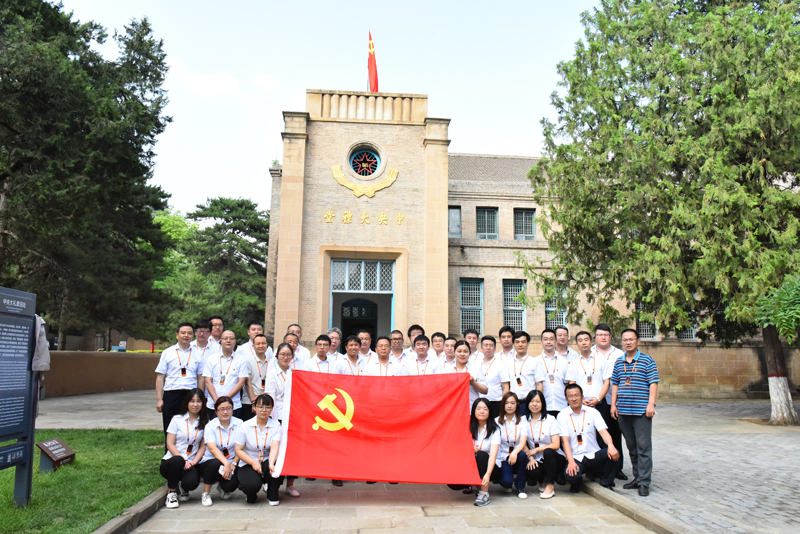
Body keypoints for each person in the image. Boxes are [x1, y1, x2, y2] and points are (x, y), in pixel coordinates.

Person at [611, 328, 659, 497]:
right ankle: (637, 477)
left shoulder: (647, 360)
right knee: (632, 447)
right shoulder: (618, 362)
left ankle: (644, 482)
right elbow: (615, 384)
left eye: (631, 339)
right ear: (622, 342)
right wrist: (613, 405)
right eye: (625, 340)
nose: (628, 342)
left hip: (641, 412)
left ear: (637, 341)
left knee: (643, 447)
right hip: (623, 411)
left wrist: (651, 404)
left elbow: (653, 383)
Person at [558, 383, 620, 492]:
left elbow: (604, 432)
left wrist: (611, 446)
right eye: (570, 396)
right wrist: (571, 461)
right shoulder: (562, 415)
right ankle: (577, 481)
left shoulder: (593, 412)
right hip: (576, 458)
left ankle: (607, 482)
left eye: (576, 395)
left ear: (582, 397)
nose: (574, 399)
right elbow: (565, 441)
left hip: (594, 455)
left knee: (614, 453)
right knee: (571, 476)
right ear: (566, 399)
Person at [160, 388, 208, 508]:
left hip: (190, 463)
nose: (195, 405)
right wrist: (183, 460)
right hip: (172, 461)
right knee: (178, 461)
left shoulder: (205, 421)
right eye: (192, 401)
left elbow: (203, 447)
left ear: (203, 403)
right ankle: (171, 493)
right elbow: (170, 444)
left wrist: (193, 462)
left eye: (198, 401)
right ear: (187, 402)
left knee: (192, 483)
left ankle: (183, 487)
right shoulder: (177, 419)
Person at [448, 398, 500, 507]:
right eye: (479, 408)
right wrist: (469, 448)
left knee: (481, 455)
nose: (482, 411)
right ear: (474, 411)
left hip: (490, 467)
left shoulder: (495, 429)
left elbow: (493, 455)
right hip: (470, 464)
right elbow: (457, 447)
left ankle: (484, 493)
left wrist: (488, 474)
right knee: (452, 482)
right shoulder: (467, 427)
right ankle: (474, 483)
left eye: (485, 409)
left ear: (490, 411)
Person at [234, 393, 285, 504]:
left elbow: (275, 447)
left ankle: (272, 493)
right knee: (251, 485)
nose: (264, 410)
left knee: (277, 465)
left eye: (267, 407)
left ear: (272, 409)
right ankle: (251, 494)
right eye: (261, 407)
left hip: (267, 459)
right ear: (254, 407)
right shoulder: (245, 426)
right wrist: (253, 462)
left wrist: (271, 463)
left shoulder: (276, 425)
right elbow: (238, 449)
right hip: (249, 461)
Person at [514, 390, 565, 499]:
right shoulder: (523, 420)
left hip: (554, 457)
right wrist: (531, 457)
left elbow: (556, 444)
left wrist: (537, 449)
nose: (535, 404)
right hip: (536, 458)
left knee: (548, 452)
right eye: (532, 401)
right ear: (528, 403)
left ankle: (550, 486)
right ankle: (542, 481)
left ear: (543, 403)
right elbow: (522, 442)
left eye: (538, 401)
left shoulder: (550, 419)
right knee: (531, 470)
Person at [263, 343, 299, 496]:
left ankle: (290, 485)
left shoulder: (295, 373)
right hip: (277, 417)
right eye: (282, 354)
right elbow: (270, 399)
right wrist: (274, 421)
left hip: (293, 417)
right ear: (277, 356)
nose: (286, 357)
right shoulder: (272, 374)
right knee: (276, 450)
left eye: (289, 354)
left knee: (292, 451)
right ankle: (272, 481)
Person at [156, 323, 203, 437]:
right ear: (177, 335)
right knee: (169, 427)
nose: (186, 335)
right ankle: (169, 448)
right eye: (183, 333)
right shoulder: (168, 352)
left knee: (190, 427)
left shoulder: (198, 353)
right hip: (171, 394)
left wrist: (200, 397)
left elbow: (200, 377)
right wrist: (159, 399)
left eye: (189, 333)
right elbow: (160, 377)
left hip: (190, 394)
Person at [594, 323, 627, 480]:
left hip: (614, 401)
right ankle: (599, 468)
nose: (603, 337)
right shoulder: (590, 353)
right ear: (595, 337)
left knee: (615, 434)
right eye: (600, 335)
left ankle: (617, 467)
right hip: (597, 402)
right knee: (598, 435)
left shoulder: (619, 354)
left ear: (610, 337)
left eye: (606, 335)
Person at [198, 396, 242, 506]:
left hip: (232, 461)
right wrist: (226, 463)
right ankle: (206, 493)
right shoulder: (210, 426)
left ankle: (223, 487)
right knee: (215, 463)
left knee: (231, 485)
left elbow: (242, 446)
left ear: (232, 409)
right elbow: (212, 448)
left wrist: (233, 463)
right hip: (212, 461)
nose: (225, 412)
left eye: (228, 408)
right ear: (216, 411)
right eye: (222, 409)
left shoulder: (240, 423)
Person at [204, 330, 248, 419]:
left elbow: (241, 382)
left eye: (231, 338)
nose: (228, 341)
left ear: (235, 341)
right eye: (225, 338)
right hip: (213, 404)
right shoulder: (211, 359)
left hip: (233, 404)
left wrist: (225, 400)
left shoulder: (241, 359)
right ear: (220, 341)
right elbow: (208, 381)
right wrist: (217, 400)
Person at [495, 392, 527, 498]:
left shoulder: (522, 421)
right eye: (507, 403)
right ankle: (507, 482)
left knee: (522, 455)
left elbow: (522, 442)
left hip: (517, 454)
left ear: (517, 404)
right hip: (503, 455)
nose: (509, 406)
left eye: (512, 403)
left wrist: (515, 452)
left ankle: (521, 487)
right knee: (506, 481)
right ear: (503, 405)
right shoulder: (496, 421)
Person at [470, 336, 510, 418]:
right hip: (479, 403)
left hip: (495, 403)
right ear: (481, 348)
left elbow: (506, 387)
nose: (488, 348)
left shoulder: (501, 364)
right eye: (486, 345)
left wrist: (504, 404)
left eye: (491, 345)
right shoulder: (475, 364)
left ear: (495, 348)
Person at [565, 331, 607, 408]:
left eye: (586, 340)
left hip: (600, 402)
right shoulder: (573, 363)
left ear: (591, 342)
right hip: (580, 403)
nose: (584, 343)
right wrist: (580, 400)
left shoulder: (602, 360)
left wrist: (598, 399)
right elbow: (572, 384)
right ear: (577, 344)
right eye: (580, 341)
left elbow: (607, 382)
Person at [533, 329, 568, 417]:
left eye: (551, 339)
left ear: (556, 341)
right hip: (543, 406)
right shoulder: (535, 361)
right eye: (545, 339)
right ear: (541, 342)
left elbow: (567, 383)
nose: (548, 342)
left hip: (562, 406)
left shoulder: (564, 361)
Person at [506, 331, 539, 416]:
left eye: (523, 342)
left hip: (529, 403)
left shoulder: (534, 362)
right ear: (513, 344)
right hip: (512, 403)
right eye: (517, 342)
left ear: (528, 343)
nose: (520, 345)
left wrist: (538, 402)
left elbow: (539, 384)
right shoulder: (508, 362)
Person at [443, 340, 479, 413]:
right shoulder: (448, 370)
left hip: (471, 408)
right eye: (459, 351)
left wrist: (473, 382)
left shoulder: (476, 369)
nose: (462, 354)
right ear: (454, 352)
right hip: (453, 408)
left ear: (470, 353)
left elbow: (485, 390)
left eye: (465, 351)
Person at [243, 334, 272, 422]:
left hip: (266, 401)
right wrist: (254, 403)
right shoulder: (247, 361)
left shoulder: (272, 363)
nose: (261, 346)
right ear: (253, 346)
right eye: (258, 344)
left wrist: (262, 396)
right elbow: (248, 383)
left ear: (267, 345)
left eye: (263, 343)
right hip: (249, 401)